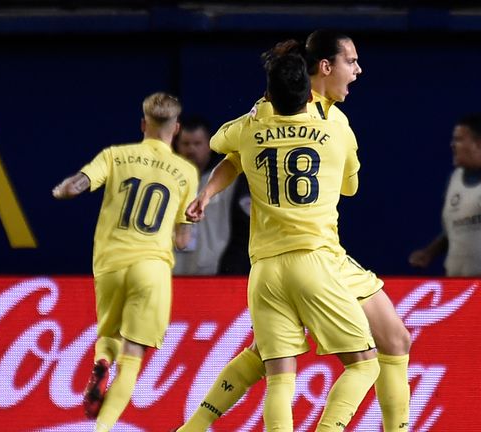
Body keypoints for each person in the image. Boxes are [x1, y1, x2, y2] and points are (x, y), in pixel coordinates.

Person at [178, 31, 411, 432]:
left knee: (392, 339)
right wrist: (210, 193)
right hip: (316, 255)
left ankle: (194, 426)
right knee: (359, 357)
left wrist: (208, 191)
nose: (357, 70)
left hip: (283, 260)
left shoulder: (263, 113)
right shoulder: (328, 120)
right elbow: (347, 187)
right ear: (324, 68)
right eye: (350, 62)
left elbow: (232, 151)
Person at [52, 92, 198, 432]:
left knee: (108, 333)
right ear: (175, 129)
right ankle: (102, 429)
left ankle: (102, 360)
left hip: (111, 263)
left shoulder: (116, 156)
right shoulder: (186, 172)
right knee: (132, 359)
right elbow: (182, 239)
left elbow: (80, 184)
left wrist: (62, 190)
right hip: (152, 268)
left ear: (143, 124)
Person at [172, 116, 251, 275]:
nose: (191, 150)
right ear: (176, 145)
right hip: (172, 269)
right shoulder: (166, 177)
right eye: (186, 144)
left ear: (209, 146)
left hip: (216, 270)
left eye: (197, 144)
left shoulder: (229, 180)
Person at [409, 114, 481, 276]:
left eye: (459, 139)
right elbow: (454, 230)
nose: (453, 145)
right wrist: (430, 252)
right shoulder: (455, 179)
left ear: (478, 143)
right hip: (457, 288)